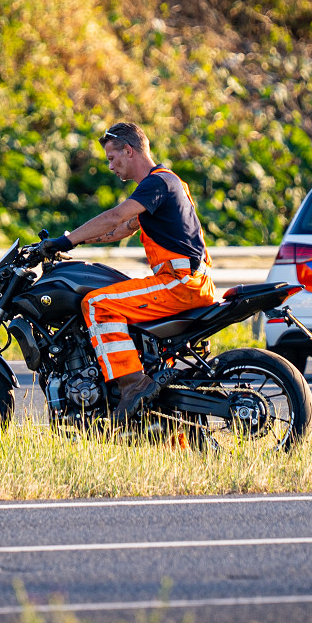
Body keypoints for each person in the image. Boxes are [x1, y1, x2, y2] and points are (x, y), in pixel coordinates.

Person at [41, 122, 215, 425]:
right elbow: (119, 229)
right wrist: (68, 243)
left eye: (112, 158)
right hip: (186, 283)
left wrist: (65, 240)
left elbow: (115, 216)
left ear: (129, 150)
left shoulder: (157, 183)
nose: (110, 166)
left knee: (96, 304)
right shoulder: (163, 186)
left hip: (179, 285)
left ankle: (132, 384)